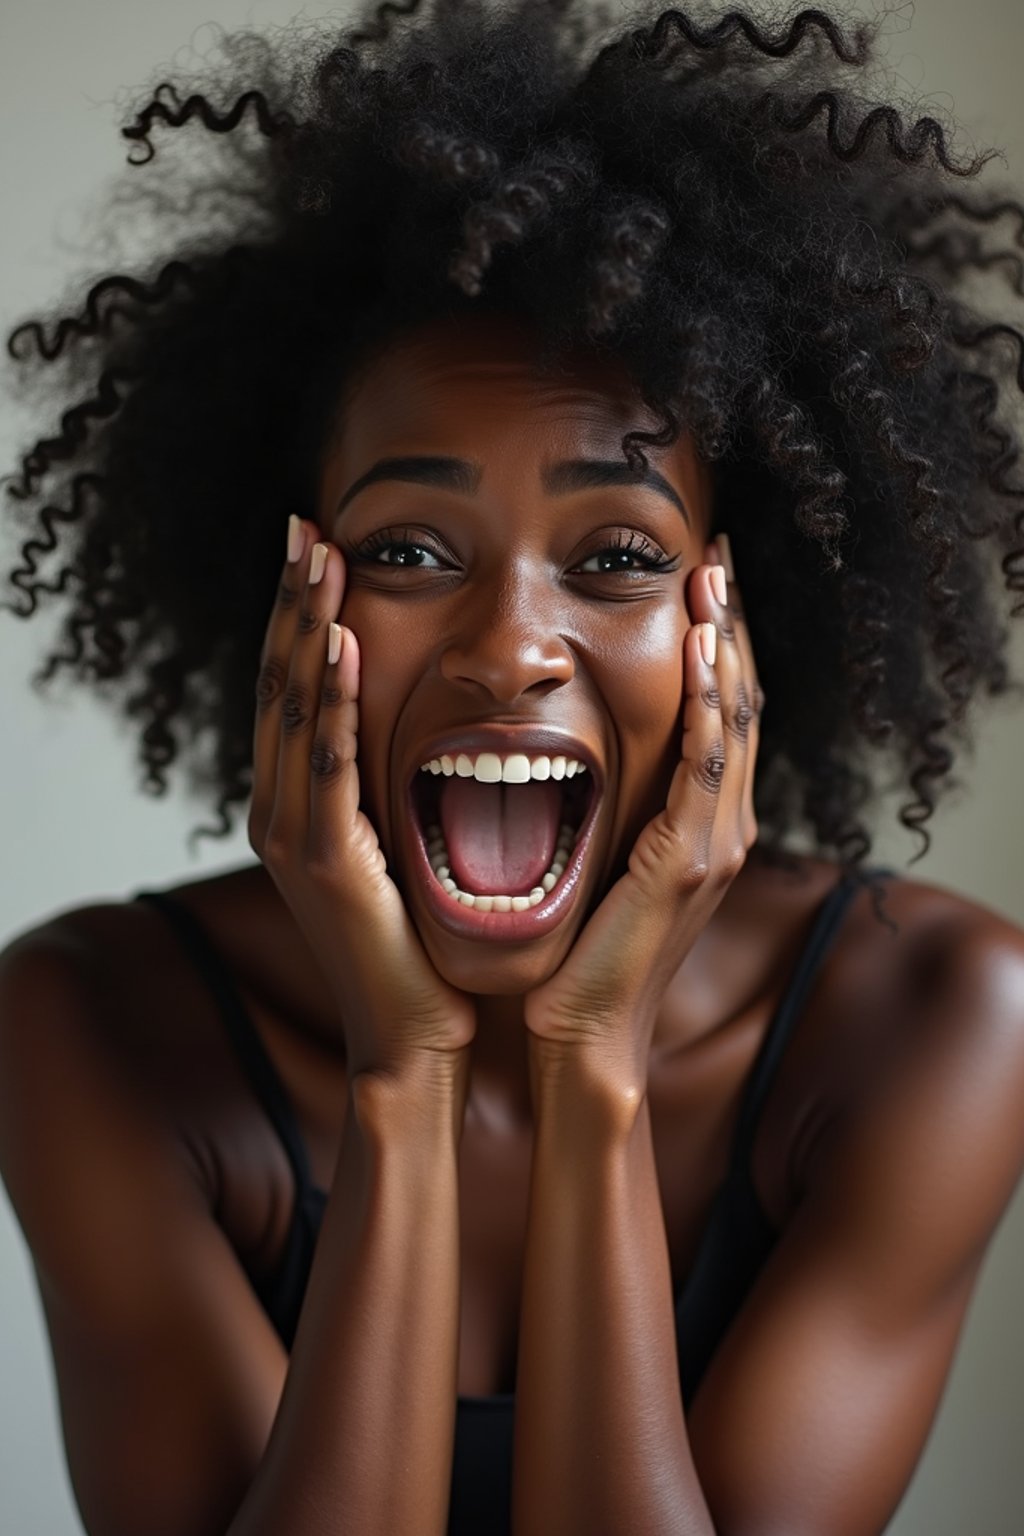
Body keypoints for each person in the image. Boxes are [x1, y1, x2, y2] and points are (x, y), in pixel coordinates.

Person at [2, 2, 1024, 1533]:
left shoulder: (941, 1021)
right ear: (293, 599)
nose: (509, 647)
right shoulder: (84, 1024)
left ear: (731, 627)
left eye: (616, 555)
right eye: (410, 549)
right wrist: (401, 1078)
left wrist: (589, 1065)